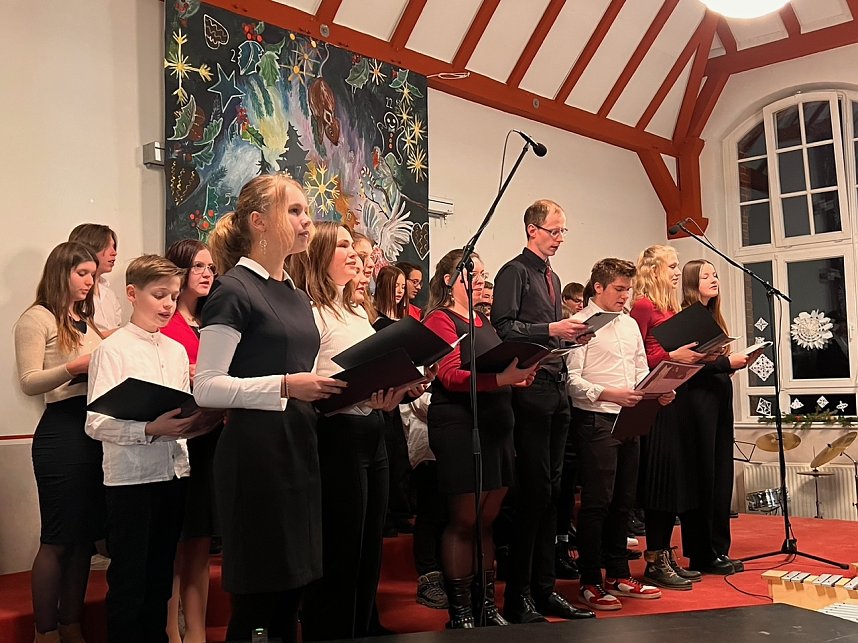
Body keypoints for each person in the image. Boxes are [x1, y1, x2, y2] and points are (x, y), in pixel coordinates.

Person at [194, 174, 345, 643]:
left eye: (307, 210)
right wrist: (283, 386)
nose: (307, 221)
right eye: (295, 211)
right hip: (256, 456)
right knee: (259, 599)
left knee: (292, 593)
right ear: (259, 222)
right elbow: (207, 387)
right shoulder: (232, 290)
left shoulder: (298, 296)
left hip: (298, 446)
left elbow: (306, 374)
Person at [301, 222, 419, 640]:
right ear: (317, 255)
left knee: (370, 544)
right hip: (337, 435)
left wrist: (394, 386)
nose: (356, 255)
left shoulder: (354, 309)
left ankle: (364, 623)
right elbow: (311, 377)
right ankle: (335, 629)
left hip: (371, 427)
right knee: (342, 546)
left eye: (356, 247)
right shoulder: (310, 310)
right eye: (344, 246)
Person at [86, 254, 203, 643]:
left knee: (160, 579)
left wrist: (195, 419)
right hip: (130, 479)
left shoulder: (173, 350)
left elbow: (181, 408)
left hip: (172, 473)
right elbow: (96, 422)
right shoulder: (113, 350)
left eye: (173, 295)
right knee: (129, 580)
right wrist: (149, 428)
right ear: (132, 294)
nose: (169, 304)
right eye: (159, 295)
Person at [491, 199, 595, 623]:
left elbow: (546, 337)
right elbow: (504, 328)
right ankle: (519, 596)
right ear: (532, 229)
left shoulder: (550, 276)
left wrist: (571, 339)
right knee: (533, 494)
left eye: (563, 232)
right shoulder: (514, 272)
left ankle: (545, 589)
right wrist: (552, 329)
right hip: (529, 390)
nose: (560, 238)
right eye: (554, 231)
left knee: (553, 495)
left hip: (555, 387)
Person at [424, 249, 538, 628]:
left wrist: (517, 376)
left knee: (486, 522)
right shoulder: (441, 319)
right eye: (474, 274)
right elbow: (449, 376)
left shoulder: (482, 320)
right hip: (460, 426)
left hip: (496, 424)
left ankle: (487, 607)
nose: (482, 280)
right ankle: (461, 614)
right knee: (464, 521)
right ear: (448, 279)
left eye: (484, 274)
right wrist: (500, 380)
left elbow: (493, 370)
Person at [566, 258, 671, 611]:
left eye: (628, 290)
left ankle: (618, 572)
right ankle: (589, 581)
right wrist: (611, 394)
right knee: (598, 502)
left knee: (625, 500)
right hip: (596, 419)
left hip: (630, 417)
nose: (625, 297)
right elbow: (572, 382)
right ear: (598, 287)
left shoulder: (628, 325)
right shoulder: (580, 324)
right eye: (619, 290)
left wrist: (658, 391)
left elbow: (641, 370)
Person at [14, 242, 104, 643]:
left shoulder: (84, 319)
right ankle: (45, 631)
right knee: (57, 537)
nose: (89, 282)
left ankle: (72, 625)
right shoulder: (37, 318)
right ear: (60, 272)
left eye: (93, 275)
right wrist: (73, 368)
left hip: (94, 431)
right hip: (61, 432)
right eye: (82, 273)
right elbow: (30, 381)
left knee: (84, 537)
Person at [629, 245, 705, 591]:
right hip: (654, 400)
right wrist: (673, 354)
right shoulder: (644, 305)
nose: (677, 272)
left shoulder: (670, 307)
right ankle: (655, 558)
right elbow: (636, 352)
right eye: (672, 266)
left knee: (673, 480)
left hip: (675, 395)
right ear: (654, 269)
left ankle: (665, 552)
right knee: (660, 481)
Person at [162, 240, 222, 643]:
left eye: (211, 267)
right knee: (172, 544)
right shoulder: (165, 322)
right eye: (197, 266)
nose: (206, 273)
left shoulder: (214, 321)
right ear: (179, 272)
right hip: (176, 437)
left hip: (212, 435)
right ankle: (170, 630)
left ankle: (197, 633)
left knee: (200, 540)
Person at [680, 260, 751, 574]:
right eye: (705, 275)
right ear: (691, 283)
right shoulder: (688, 318)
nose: (713, 279)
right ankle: (702, 553)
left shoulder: (712, 316)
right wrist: (727, 364)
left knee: (722, 475)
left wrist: (730, 365)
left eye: (715, 274)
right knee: (704, 476)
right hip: (697, 404)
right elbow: (690, 366)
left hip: (719, 399)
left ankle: (719, 549)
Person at [68, 224, 122, 333]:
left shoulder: (109, 294)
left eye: (114, 246)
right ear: (89, 248)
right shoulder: (75, 293)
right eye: (107, 247)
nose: (114, 253)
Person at [373, 265, 407, 330]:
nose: (400, 291)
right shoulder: (374, 318)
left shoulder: (403, 320)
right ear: (381, 285)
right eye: (395, 286)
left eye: (403, 287)